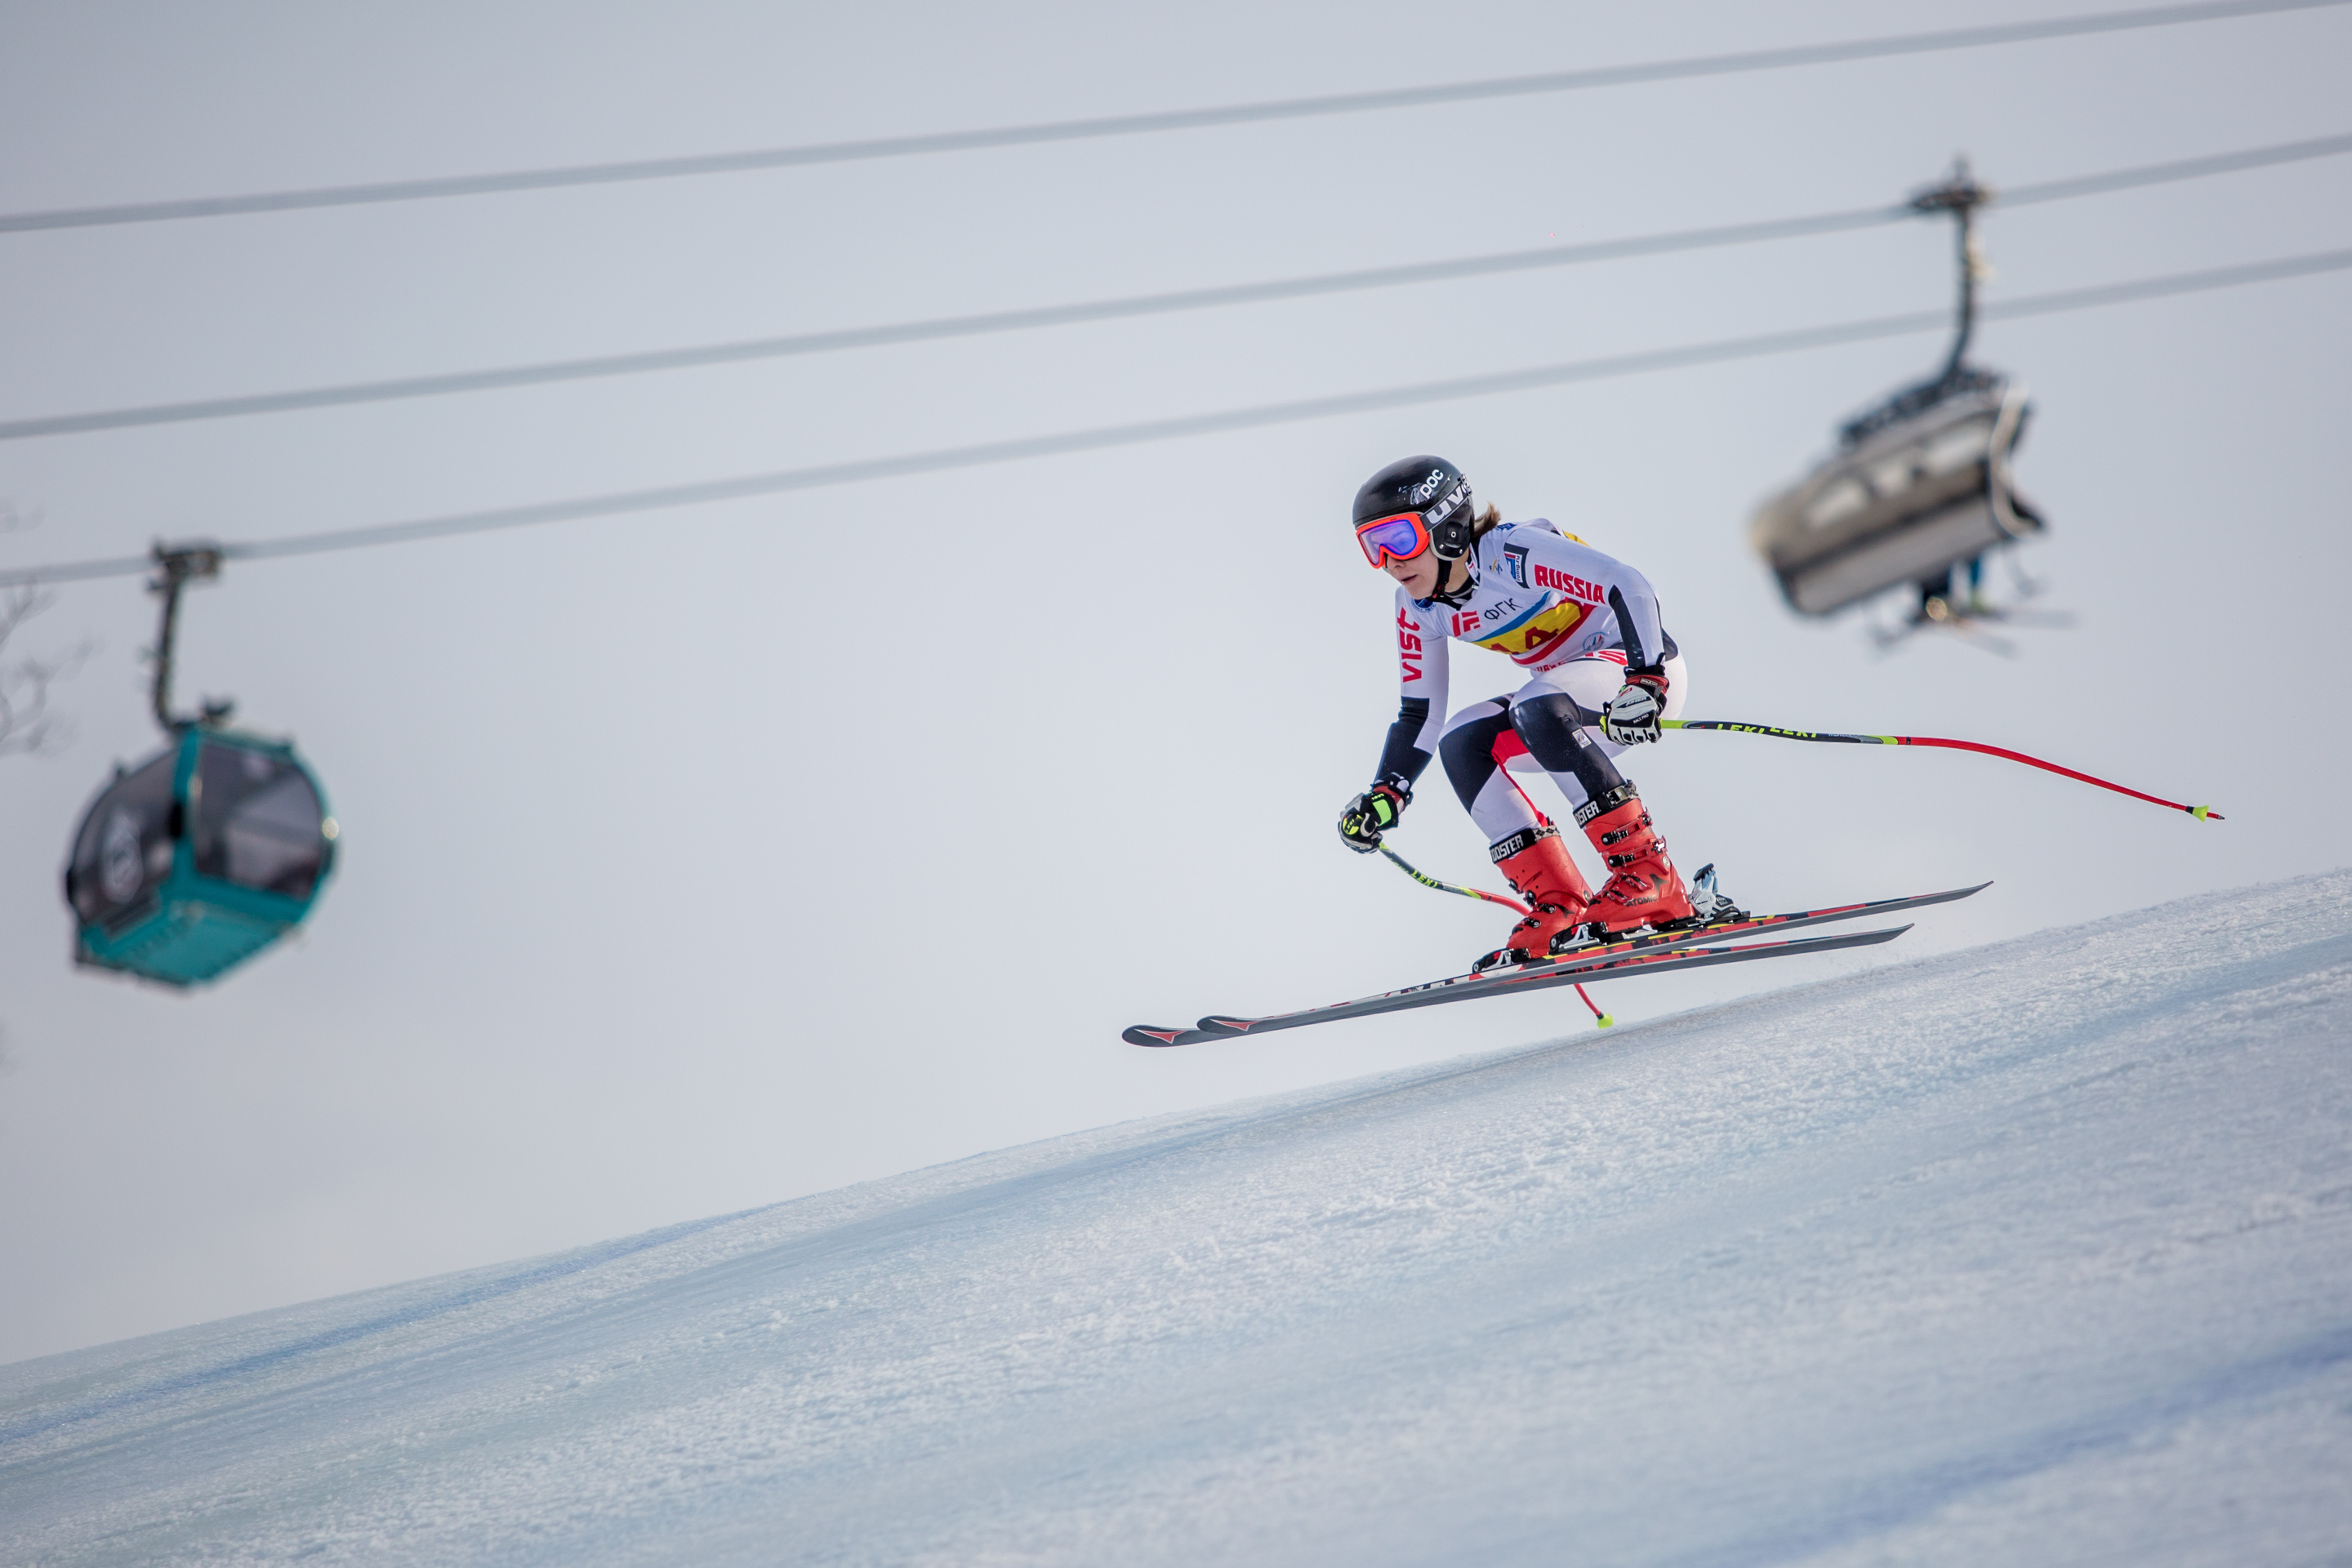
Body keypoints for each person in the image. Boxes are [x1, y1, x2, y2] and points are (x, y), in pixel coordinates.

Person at [1335, 455, 1695, 970]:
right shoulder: (1420, 608)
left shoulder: (1511, 553)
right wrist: (1386, 792)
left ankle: (1650, 874)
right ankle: (1559, 903)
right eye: (1373, 547)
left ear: (1447, 530)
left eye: (1398, 539)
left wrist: (1646, 681)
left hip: (1636, 676)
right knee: (1461, 740)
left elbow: (1628, 585)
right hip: (1561, 715)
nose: (1388, 561)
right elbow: (1419, 716)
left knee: (1535, 703)